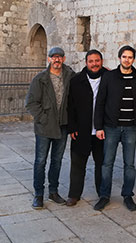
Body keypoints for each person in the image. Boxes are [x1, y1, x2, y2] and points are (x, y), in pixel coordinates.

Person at [93, 45, 136, 211]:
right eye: (124, 56)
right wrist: (99, 127)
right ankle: (104, 196)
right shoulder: (109, 77)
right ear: (119, 58)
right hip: (111, 128)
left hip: (131, 128)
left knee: (129, 164)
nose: (127, 60)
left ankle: (128, 195)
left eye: (130, 57)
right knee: (107, 163)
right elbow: (100, 102)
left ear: (133, 59)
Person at [25, 47, 75, 209]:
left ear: (64, 59)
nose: (57, 60)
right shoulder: (40, 79)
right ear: (49, 59)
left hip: (62, 126)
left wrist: (107, 72)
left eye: (59, 57)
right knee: (40, 161)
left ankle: (53, 192)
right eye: (54, 57)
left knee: (57, 161)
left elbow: (86, 80)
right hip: (44, 127)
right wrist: (43, 118)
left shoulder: (70, 76)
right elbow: (31, 103)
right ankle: (39, 194)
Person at [66, 50, 108, 206]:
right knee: (77, 164)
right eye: (91, 61)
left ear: (101, 61)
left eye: (97, 61)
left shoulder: (109, 78)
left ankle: (102, 194)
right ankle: (74, 194)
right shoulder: (76, 80)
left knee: (101, 164)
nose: (94, 64)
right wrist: (71, 127)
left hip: (101, 131)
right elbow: (70, 106)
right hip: (81, 130)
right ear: (86, 62)